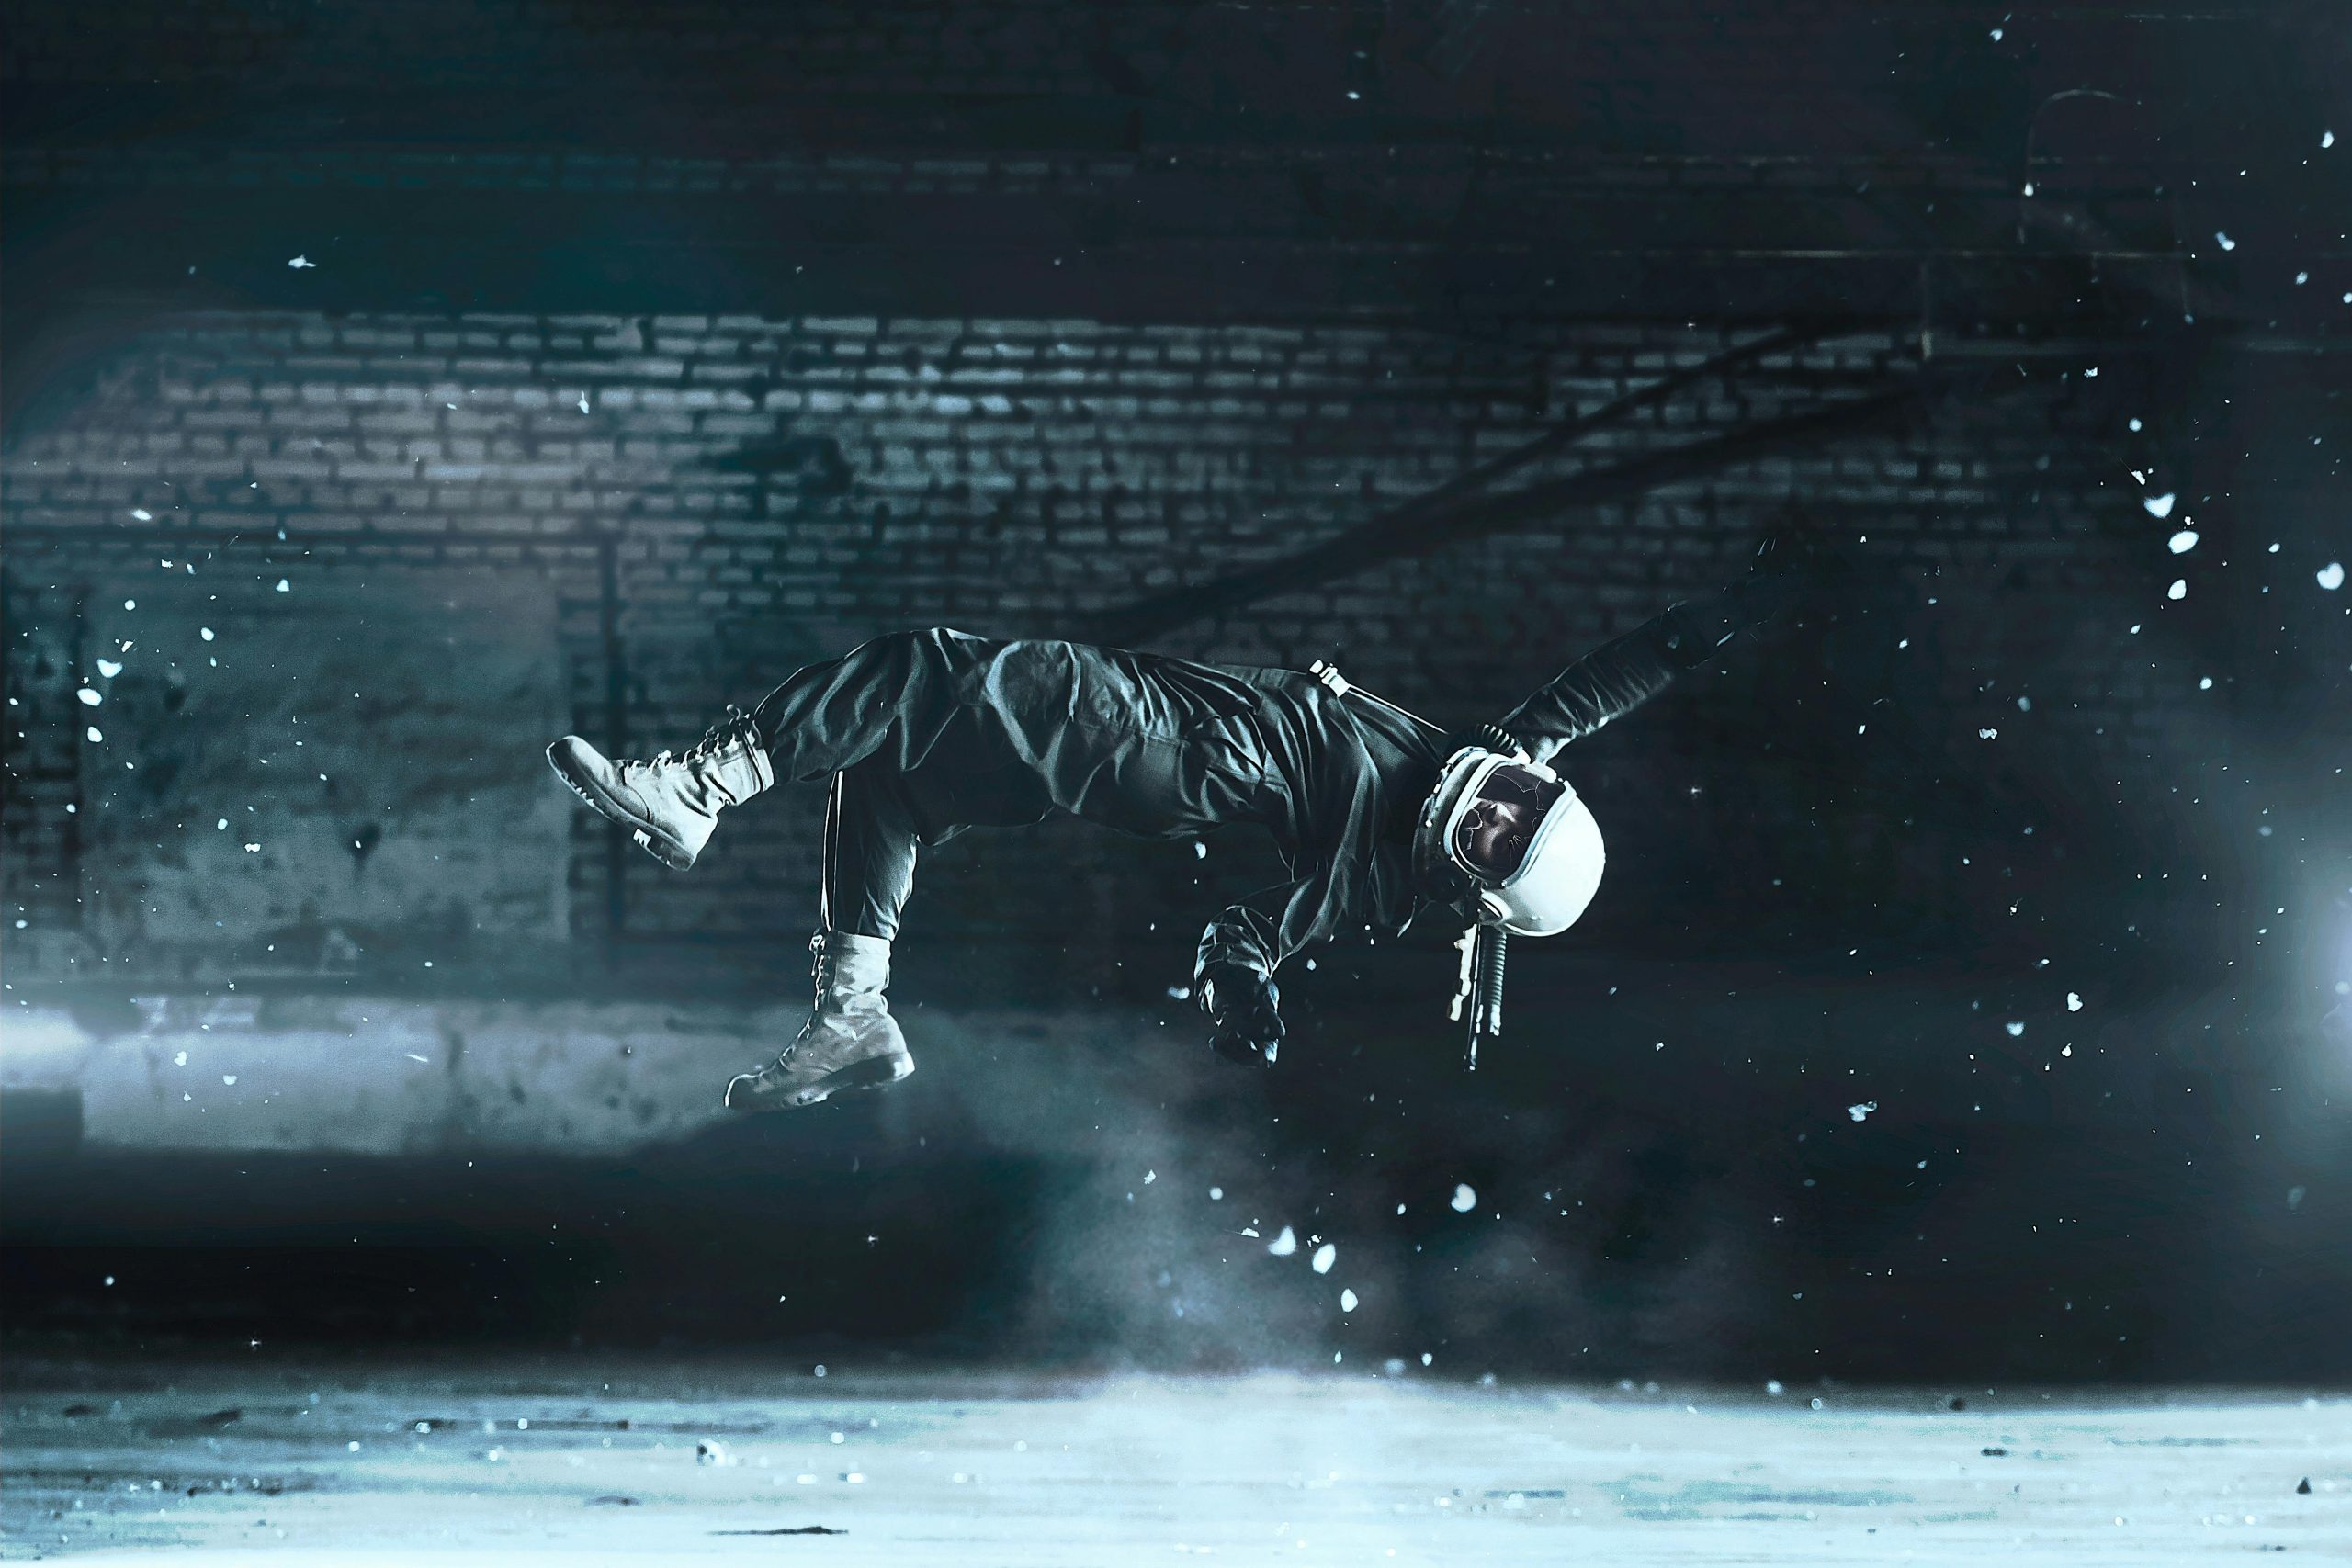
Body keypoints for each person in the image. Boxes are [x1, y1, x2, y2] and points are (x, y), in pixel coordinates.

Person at [548, 530, 1838, 1111]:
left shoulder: (1386, 872)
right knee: (887, 773)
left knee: (920, 669)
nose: (1491, 808)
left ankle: (698, 785)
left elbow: (1261, 930)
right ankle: (853, 1011)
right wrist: (1734, 611)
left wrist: (1241, 990)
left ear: (1474, 881)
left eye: (1493, 842)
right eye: (1516, 803)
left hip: (1159, 747)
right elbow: (1611, 677)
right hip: (1143, 748)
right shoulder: (1503, 755)